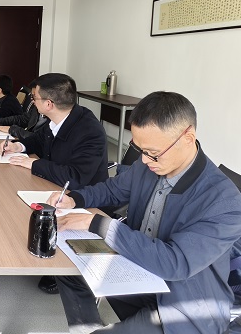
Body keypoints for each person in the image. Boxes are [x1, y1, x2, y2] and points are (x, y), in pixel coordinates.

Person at [49, 91, 241, 334]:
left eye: (152, 152)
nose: (144, 159)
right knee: (68, 269)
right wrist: (74, 198)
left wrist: (98, 224)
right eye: (138, 148)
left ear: (188, 138)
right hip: (140, 269)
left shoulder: (224, 201)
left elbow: (176, 263)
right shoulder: (149, 165)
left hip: (185, 303)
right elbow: (113, 190)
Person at [0, 72, 107, 295]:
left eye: (34, 97)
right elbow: (38, 140)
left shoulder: (89, 130)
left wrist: (34, 164)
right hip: (54, 188)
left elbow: (75, 177)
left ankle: (61, 269)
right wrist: (18, 147)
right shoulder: (58, 119)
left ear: (48, 104)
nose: (32, 101)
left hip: (81, 199)